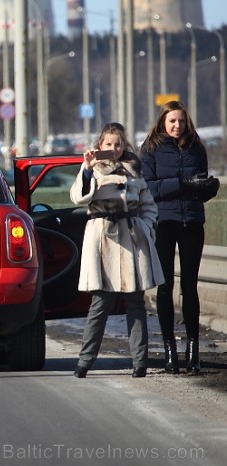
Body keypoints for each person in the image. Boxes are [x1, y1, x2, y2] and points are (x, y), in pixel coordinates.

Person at [71, 122, 164, 378]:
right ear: (100, 145)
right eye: (108, 144)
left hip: (133, 240)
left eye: (118, 143)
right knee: (100, 303)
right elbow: (78, 197)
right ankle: (85, 361)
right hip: (103, 240)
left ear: (125, 145)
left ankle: (140, 362)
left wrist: (145, 227)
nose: (113, 148)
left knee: (136, 302)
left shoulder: (135, 170)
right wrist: (88, 169)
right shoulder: (92, 167)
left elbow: (148, 205)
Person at [140, 100, 219, 375]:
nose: (177, 126)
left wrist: (209, 188)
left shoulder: (196, 147)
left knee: (189, 286)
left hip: (192, 222)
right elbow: (149, 188)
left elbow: (201, 182)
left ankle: (193, 350)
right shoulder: (150, 149)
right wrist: (182, 184)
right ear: (163, 121)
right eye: (172, 121)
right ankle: (169, 350)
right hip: (164, 222)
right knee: (165, 287)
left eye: (181, 121)